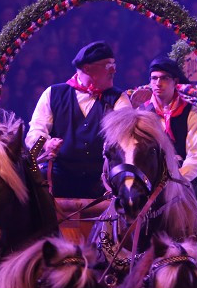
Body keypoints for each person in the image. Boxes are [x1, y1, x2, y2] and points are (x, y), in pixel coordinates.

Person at [26, 41, 131, 198]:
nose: (113, 70)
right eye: (107, 65)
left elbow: (127, 136)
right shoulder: (53, 94)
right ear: (87, 68)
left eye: (113, 64)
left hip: (102, 181)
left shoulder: (117, 98)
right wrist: (47, 143)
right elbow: (35, 132)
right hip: (58, 177)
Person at [131, 56, 197, 182]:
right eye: (154, 78)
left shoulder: (191, 113)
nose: (158, 83)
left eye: (164, 78)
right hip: (148, 182)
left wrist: (176, 180)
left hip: (182, 182)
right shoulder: (141, 113)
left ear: (175, 81)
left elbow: (195, 155)